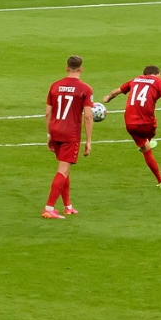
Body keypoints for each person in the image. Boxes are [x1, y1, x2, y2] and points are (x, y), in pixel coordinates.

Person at [101, 66, 161, 189]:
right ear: (158, 74)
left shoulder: (135, 79)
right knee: (150, 133)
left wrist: (107, 98)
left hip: (130, 124)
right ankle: (148, 142)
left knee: (146, 149)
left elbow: (116, 92)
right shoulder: (160, 82)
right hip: (148, 125)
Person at [43, 55, 94, 219]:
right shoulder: (85, 89)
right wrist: (88, 141)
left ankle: (67, 206)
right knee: (63, 169)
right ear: (81, 69)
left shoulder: (55, 86)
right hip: (70, 133)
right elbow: (87, 116)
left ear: (67, 68)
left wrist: (49, 134)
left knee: (65, 169)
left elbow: (47, 112)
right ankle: (49, 207)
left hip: (56, 130)